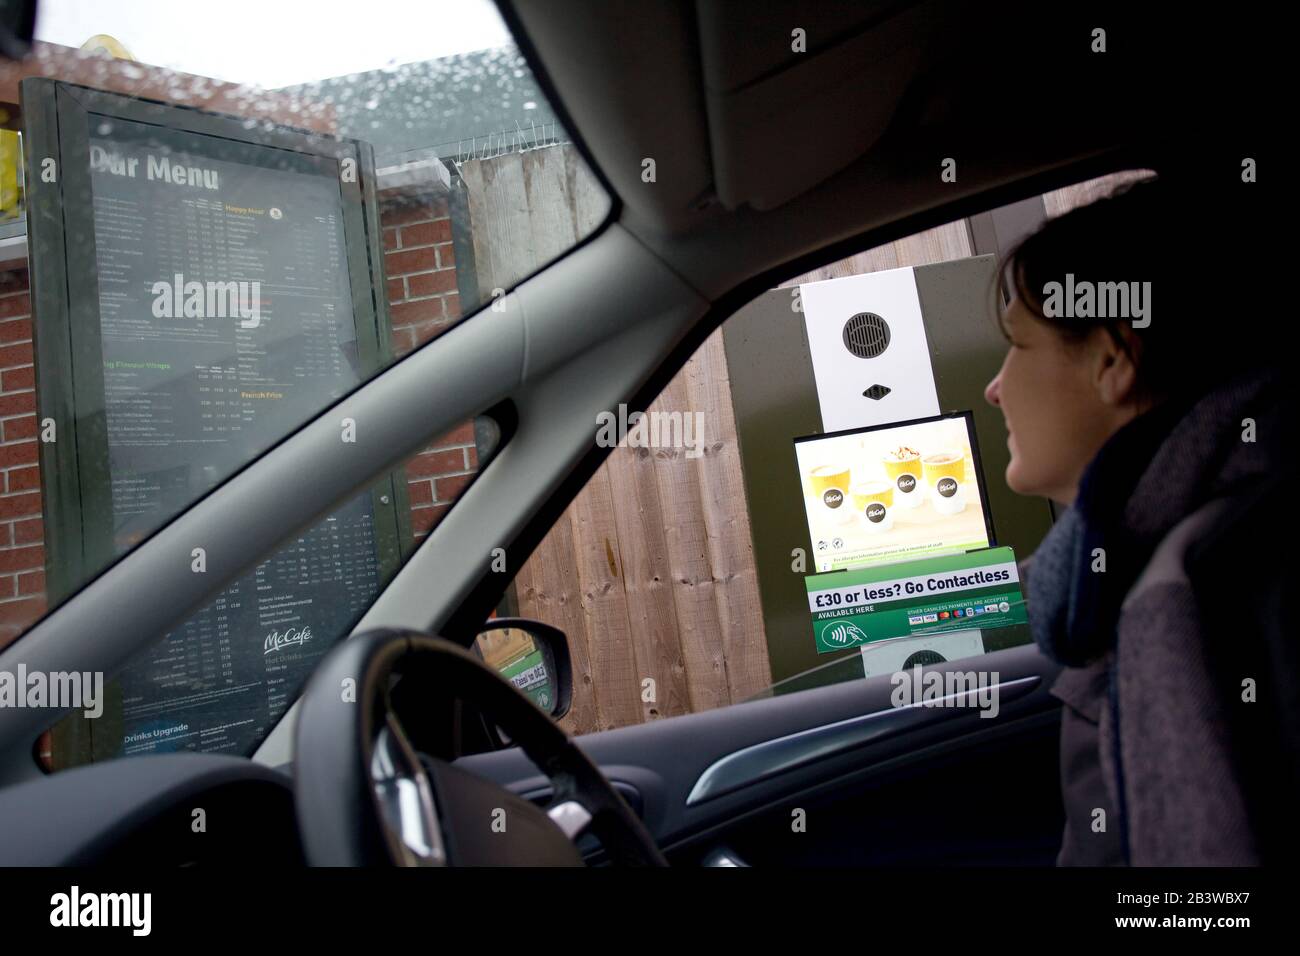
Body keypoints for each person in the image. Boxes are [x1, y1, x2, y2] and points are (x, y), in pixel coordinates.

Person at [983, 175, 1296, 865]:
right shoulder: (1140, 573)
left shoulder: (1202, 587)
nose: (995, 386)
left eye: (1020, 344)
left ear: (1112, 358)